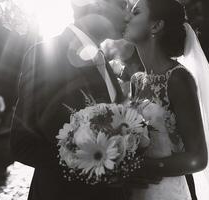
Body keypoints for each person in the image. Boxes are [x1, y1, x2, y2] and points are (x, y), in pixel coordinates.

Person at [124, 0, 209, 199]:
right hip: (136, 191)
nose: (127, 18)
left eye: (136, 12)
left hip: (166, 192)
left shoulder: (178, 78)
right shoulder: (136, 81)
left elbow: (197, 158)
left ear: (156, 25)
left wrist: (138, 167)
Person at [10, 1, 129, 200]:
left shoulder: (105, 64)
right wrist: (92, 164)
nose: (127, 15)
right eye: (122, 5)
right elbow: (22, 144)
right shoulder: (45, 54)